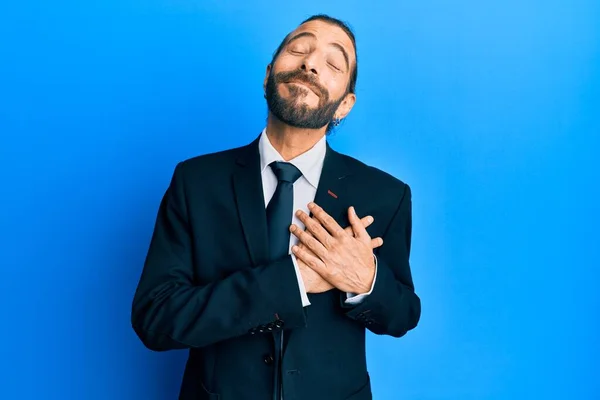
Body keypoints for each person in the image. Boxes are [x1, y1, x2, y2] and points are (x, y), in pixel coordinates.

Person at [131, 14, 421, 400]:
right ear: (268, 75)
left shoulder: (386, 194)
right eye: (299, 49)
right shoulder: (195, 181)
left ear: (344, 105)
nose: (310, 63)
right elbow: (156, 318)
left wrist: (365, 280)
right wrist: (293, 282)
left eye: (333, 64)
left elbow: (402, 315)